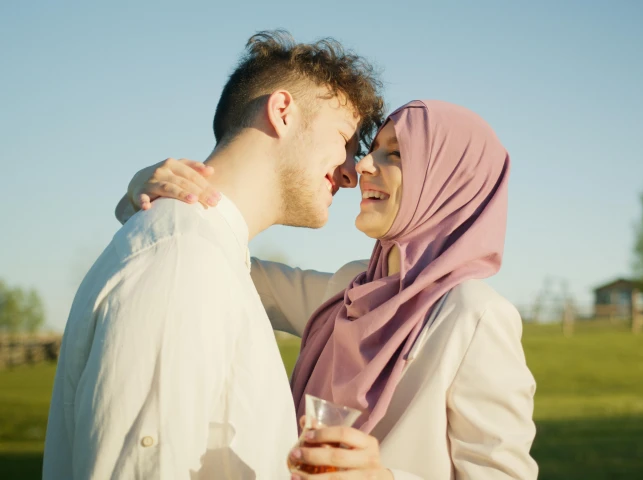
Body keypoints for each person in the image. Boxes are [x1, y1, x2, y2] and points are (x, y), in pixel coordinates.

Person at [124, 100, 538, 479]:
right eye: (371, 150)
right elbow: (220, 259)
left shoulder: (475, 316)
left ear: (449, 183)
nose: (362, 168)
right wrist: (147, 196)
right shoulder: (350, 286)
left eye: (395, 154)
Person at [42, 30, 384, 479]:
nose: (349, 174)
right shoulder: (183, 261)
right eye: (344, 137)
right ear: (282, 111)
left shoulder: (209, 257)